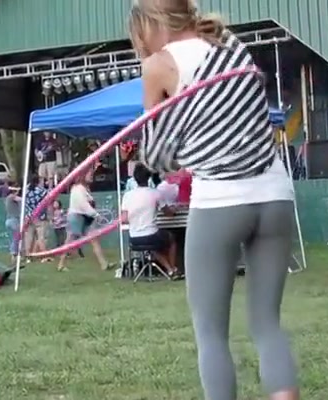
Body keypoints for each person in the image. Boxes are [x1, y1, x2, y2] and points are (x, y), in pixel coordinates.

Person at [129, 1, 299, 399]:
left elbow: (157, 155)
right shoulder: (228, 44)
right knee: (267, 324)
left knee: (210, 334)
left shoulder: (158, 65)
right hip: (275, 193)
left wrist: (178, 137)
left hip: (220, 199)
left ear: (150, 24)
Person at [121, 164, 180, 278]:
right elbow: (168, 214)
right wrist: (174, 209)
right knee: (170, 239)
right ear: (149, 177)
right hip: (152, 235)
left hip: (134, 238)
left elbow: (124, 219)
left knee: (153, 246)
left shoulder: (127, 196)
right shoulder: (155, 193)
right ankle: (173, 269)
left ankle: (170, 270)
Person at [57, 171, 114, 272]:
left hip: (85, 217)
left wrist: (93, 213)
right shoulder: (78, 189)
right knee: (69, 241)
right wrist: (96, 214)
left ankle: (104, 264)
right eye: (89, 174)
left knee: (94, 239)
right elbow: (83, 205)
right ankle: (61, 264)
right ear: (83, 175)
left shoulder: (84, 189)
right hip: (76, 217)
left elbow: (87, 204)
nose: (92, 176)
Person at [24, 176, 51, 263]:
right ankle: (44, 256)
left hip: (29, 216)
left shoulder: (26, 190)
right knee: (41, 237)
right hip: (40, 216)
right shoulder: (40, 190)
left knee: (29, 237)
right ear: (38, 181)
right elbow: (49, 197)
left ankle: (28, 256)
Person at [4, 183, 23, 262]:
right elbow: (20, 199)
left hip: (9, 220)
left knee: (13, 238)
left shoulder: (7, 198)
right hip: (13, 220)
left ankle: (14, 253)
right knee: (16, 238)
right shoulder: (11, 197)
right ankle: (14, 254)